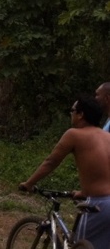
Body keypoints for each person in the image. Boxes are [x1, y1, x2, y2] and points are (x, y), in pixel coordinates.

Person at [19, 95, 110, 248]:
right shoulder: (107, 137)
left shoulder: (74, 134)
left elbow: (51, 162)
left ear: (81, 114)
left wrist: (29, 183)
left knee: (78, 245)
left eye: (72, 110)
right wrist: (84, 192)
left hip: (97, 205)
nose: (71, 114)